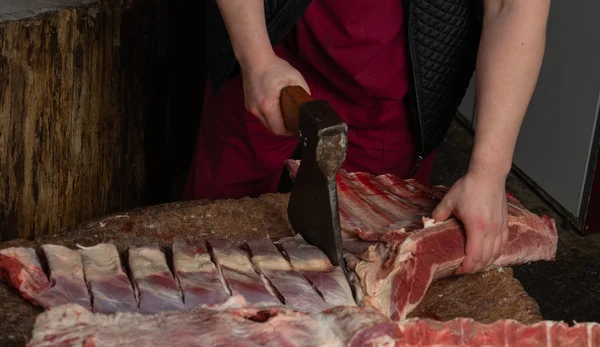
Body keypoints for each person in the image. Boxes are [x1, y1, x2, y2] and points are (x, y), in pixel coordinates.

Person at [183, 0, 550, 274]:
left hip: (391, 92)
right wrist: (255, 56)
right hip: (274, 51)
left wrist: (489, 170)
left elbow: (513, 6)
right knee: (205, 254)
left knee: (366, 279)